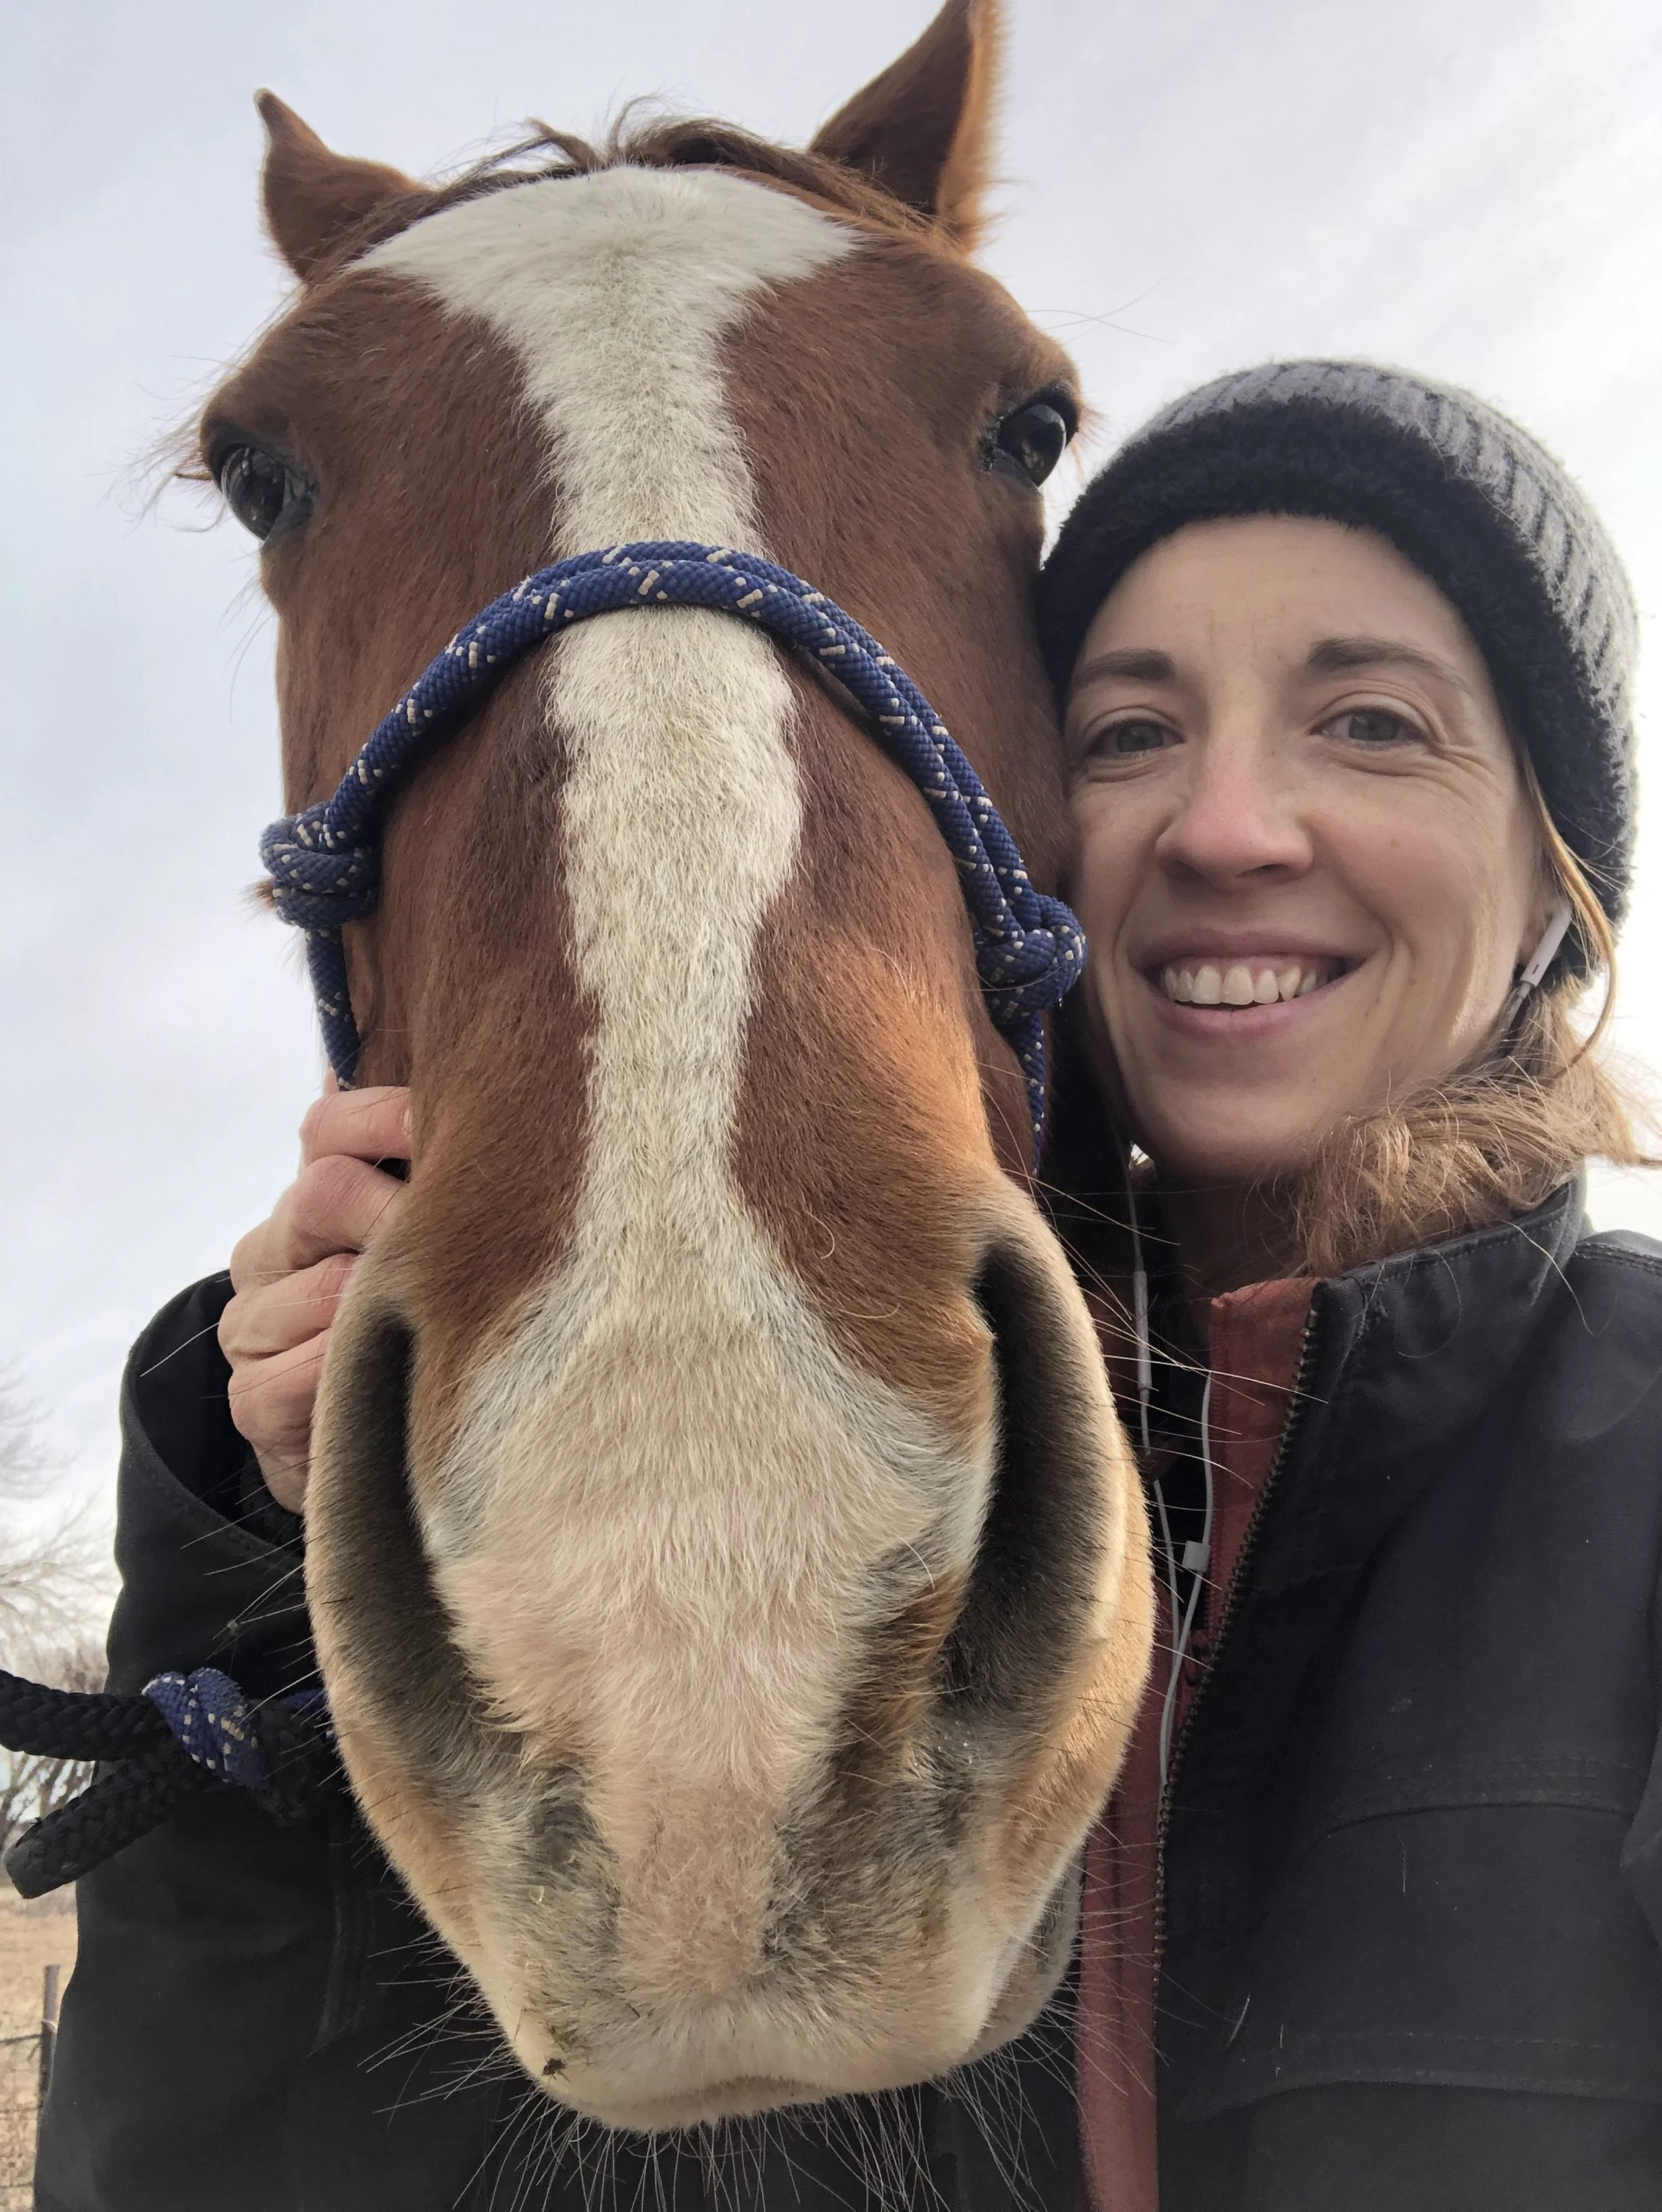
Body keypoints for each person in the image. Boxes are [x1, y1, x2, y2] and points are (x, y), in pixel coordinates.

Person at [36, 361, 1660, 2212]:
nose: (1223, 828)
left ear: (1553, 877)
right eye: (1125, 736)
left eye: (1368, 724)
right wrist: (279, 1581)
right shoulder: (856, 1501)